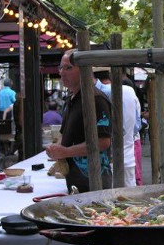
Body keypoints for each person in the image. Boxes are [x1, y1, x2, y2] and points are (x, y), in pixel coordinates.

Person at [46, 50, 112, 193]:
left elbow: (103, 142)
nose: (62, 73)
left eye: (68, 68)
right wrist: (56, 149)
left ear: (84, 70)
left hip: (94, 182)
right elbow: (66, 136)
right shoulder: (71, 99)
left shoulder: (95, 99)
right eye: (61, 68)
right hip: (77, 181)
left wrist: (65, 152)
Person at [94, 70, 140, 187]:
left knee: (112, 199)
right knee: (131, 198)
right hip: (128, 157)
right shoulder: (129, 91)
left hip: (109, 161)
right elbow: (136, 126)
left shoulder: (100, 94)